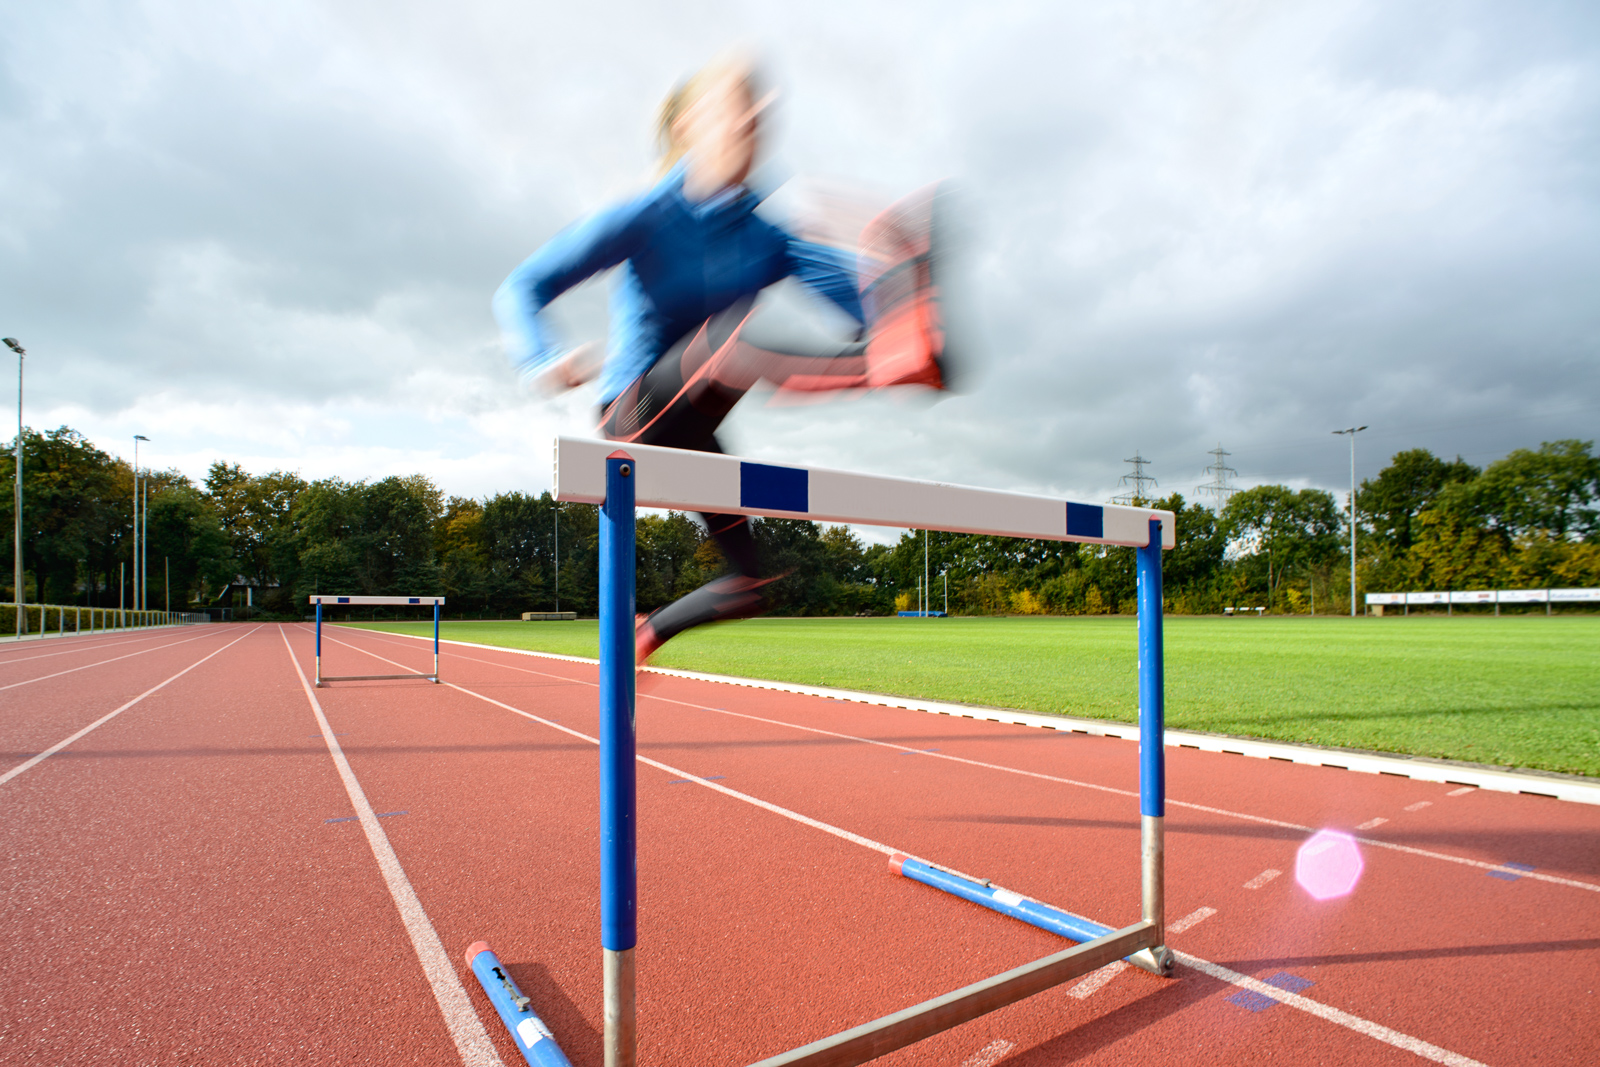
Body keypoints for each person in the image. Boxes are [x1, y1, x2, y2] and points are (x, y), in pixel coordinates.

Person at [494, 55, 949, 663]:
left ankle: (647, 632)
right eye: (737, 103)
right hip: (632, 416)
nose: (756, 115)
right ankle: (883, 372)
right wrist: (542, 358)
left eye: (761, 106)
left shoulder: (770, 237)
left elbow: (871, 313)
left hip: (698, 430)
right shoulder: (648, 215)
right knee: (728, 341)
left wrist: (899, 284)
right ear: (689, 124)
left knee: (751, 584)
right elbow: (521, 288)